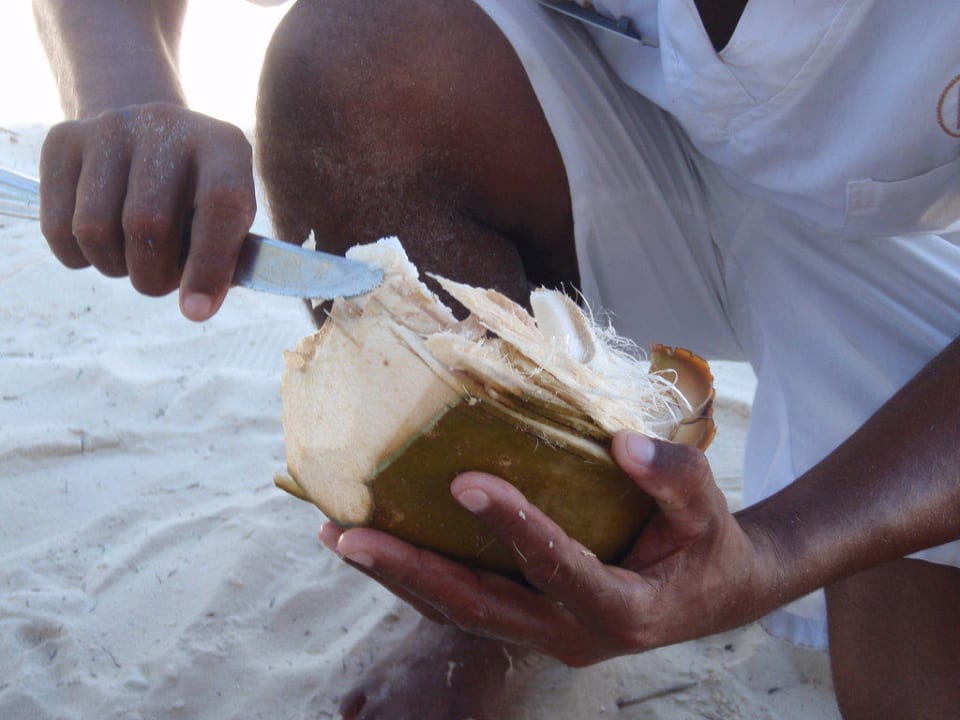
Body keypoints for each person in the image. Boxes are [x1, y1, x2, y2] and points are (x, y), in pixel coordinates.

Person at [31, 1, 960, 718]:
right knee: (358, 61)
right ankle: (493, 596)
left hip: (922, 229)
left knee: (913, 693)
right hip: (627, 114)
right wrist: (125, 97)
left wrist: (778, 550)